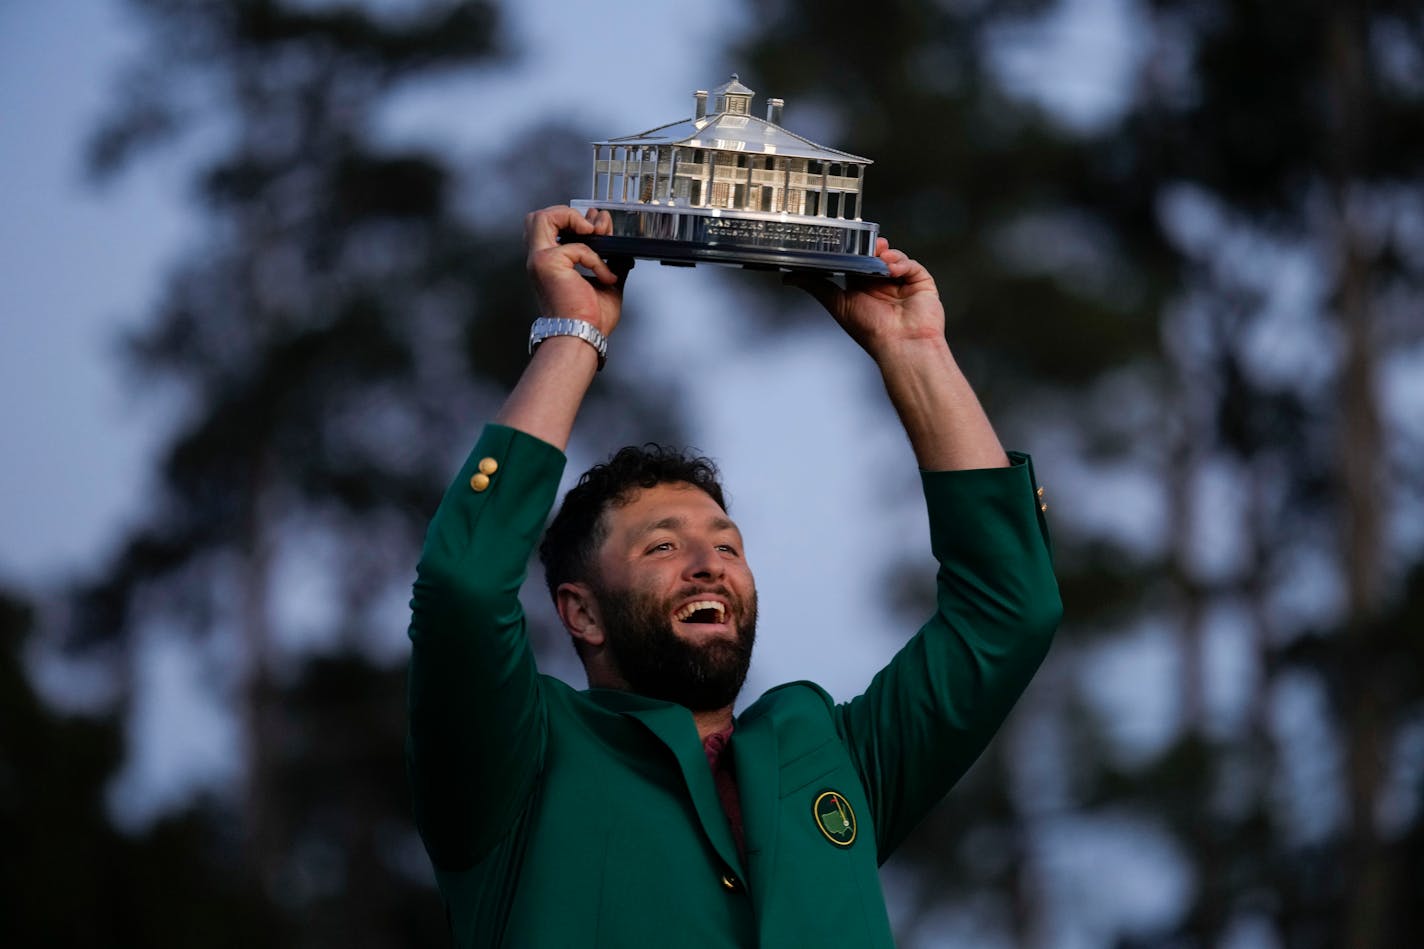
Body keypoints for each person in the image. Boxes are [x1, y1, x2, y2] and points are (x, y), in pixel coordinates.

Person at [406, 206, 1061, 948]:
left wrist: (913, 348)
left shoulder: (829, 754)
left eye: (728, 544)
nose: (709, 561)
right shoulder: (517, 760)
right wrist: (573, 334)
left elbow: (1010, 610)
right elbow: (462, 584)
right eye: (661, 547)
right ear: (580, 613)